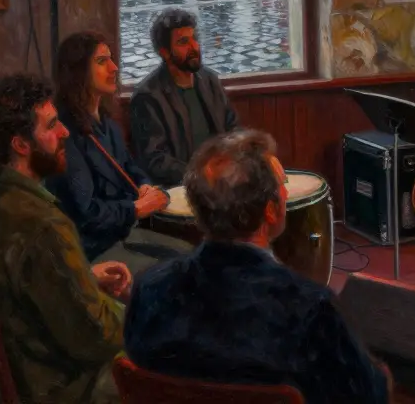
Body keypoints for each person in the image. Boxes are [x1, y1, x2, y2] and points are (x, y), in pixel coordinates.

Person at [123, 130, 390, 403]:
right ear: (271, 211)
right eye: (282, 184)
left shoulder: (149, 289)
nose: (286, 191)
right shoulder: (309, 308)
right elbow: (368, 396)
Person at [0, 74, 130, 404]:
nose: (64, 131)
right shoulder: (44, 225)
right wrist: (142, 311)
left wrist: (81, 276)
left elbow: (6, 283)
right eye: (52, 125)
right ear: (21, 145)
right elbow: (98, 338)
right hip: (53, 389)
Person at [46, 31, 192, 274]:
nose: (114, 68)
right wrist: (136, 208)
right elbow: (87, 213)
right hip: (92, 251)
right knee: (172, 273)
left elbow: (130, 167)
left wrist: (144, 185)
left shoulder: (107, 123)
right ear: (78, 71)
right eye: (102, 61)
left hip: (122, 234)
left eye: (112, 59)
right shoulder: (66, 134)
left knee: (190, 255)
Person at [129, 7, 239, 187]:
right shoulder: (148, 96)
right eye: (183, 42)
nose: (194, 47)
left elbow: (232, 127)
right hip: (181, 188)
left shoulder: (209, 80)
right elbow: (155, 160)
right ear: (164, 52)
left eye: (194, 39)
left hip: (222, 181)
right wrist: (201, 175)